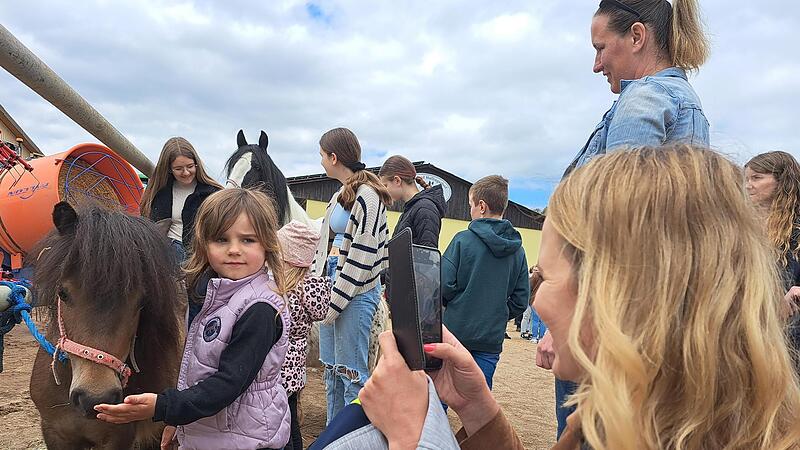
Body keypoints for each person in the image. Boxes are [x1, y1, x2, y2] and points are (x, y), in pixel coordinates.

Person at [359, 146, 800, 450]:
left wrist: (411, 437)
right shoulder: (618, 417)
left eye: (545, 277)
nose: (536, 302)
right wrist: (479, 411)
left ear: (611, 295)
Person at [547, 0, 712, 437]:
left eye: (601, 48)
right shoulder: (685, 104)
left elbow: (616, 231)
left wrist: (570, 324)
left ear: (637, 37)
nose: (597, 64)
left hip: (603, 327)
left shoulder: (645, 97)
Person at [95, 188, 292, 450]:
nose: (234, 250)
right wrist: (180, 423)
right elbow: (200, 371)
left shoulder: (260, 309)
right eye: (221, 240)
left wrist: (164, 407)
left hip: (246, 440)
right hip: (216, 433)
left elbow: (228, 384)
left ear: (267, 243)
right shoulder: (214, 296)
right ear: (204, 244)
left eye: (248, 240)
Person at [309, 127, 392, 423]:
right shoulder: (341, 195)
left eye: (321, 155)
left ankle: (351, 438)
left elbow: (362, 254)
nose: (320, 161)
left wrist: (333, 304)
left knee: (352, 376)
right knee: (332, 372)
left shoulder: (368, 197)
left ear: (333, 157)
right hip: (337, 287)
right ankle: (335, 434)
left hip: (355, 293)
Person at [441, 175, 529, 390]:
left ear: (481, 206)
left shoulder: (462, 240)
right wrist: (496, 313)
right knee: (478, 399)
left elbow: (443, 285)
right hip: (490, 338)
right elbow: (521, 299)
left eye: (470, 204)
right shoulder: (517, 250)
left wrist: (459, 307)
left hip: (455, 332)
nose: (469, 209)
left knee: (443, 394)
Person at [276, 220, 331, 450]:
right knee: (292, 422)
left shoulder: (284, 292)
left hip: (279, 371)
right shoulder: (309, 288)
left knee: (282, 426)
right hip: (296, 370)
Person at [745, 151, 800, 370]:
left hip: (790, 337)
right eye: (746, 179)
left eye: (756, 178)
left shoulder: (796, 228)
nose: (748, 185)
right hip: (753, 332)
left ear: (781, 180)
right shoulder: (741, 226)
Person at [139, 137, 223, 263]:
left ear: (197, 164)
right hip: (165, 253)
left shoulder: (213, 193)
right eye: (178, 169)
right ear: (169, 169)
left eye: (190, 166)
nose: (186, 172)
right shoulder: (158, 192)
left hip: (200, 256)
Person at [379, 155, 447, 248]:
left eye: (385, 185)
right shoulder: (412, 208)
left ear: (397, 180)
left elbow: (427, 256)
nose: (385, 191)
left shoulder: (424, 208)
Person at [520, 266, 547, 342]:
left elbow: (529, 289)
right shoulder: (547, 278)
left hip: (534, 301)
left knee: (534, 320)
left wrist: (528, 300)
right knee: (542, 321)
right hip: (544, 301)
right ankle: (541, 338)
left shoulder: (533, 277)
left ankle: (534, 337)